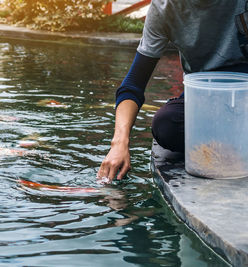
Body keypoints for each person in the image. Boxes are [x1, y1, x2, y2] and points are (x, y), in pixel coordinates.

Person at [97, 0, 248, 183]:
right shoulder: (164, 7)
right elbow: (133, 85)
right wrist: (119, 143)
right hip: (204, 100)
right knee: (166, 125)